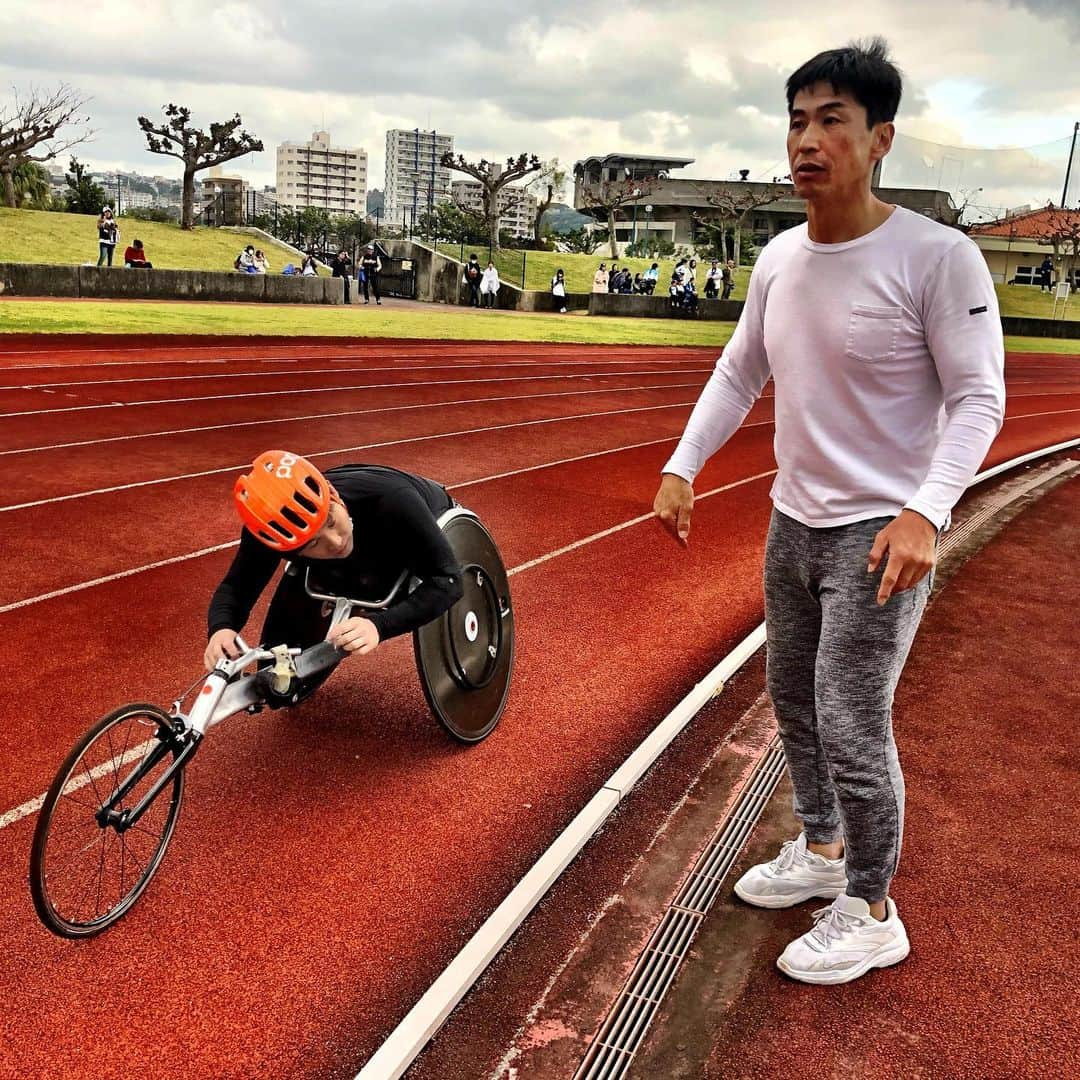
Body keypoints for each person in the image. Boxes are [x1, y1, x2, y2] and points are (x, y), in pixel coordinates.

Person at [653, 38, 1005, 986]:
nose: (806, 140)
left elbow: (979, 399)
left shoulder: (939, 258)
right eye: (797, 120)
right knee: (792, 696)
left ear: (880, 138)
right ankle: (821, 851)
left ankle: (873, 905)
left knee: (852, 716)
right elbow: (739, 371)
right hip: (792, 519)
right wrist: (685, 465)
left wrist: (928, 513)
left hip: (879, 530)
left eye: (831, 121)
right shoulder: (779, 260)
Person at [204, 452, 463, 673]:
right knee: (275, 676)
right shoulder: (269, 531)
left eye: (330, 522)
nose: (336, 540)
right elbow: (237, 587)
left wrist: (378, 626)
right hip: (354, 542)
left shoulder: (393, 500)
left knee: (375, 574)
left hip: (411, 518)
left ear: (334, 496)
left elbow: (448, 581)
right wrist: (222, 629)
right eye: (314, 543)